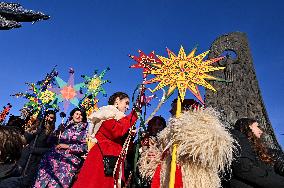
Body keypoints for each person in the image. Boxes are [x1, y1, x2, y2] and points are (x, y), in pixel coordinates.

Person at [73, 92, 138, 188]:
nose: (127, 107)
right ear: (117, 101)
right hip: (102, 159)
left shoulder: (119, 118)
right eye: (126, 103)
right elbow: (115, 131)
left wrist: (130, 136)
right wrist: (134, 115)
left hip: (113, 160)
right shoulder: (107, 113)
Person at [33, 108, 88, 188]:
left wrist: (68, 146)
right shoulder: (63, 126)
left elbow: (85, 147)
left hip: (68, 163)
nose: (78, 116)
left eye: (81, 115)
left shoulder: (85, 132)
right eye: (77, 114)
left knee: (57, 185)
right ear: (72, 115)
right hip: (53, 159)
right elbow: (52, 142)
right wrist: (57, 133)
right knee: (41, 182)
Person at [225, 118, 284, 188]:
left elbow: (279, 161)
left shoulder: (259, 150)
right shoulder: (239, 137)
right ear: (249, 126)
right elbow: (244, 168)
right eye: (257, 126)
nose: (261, 131)